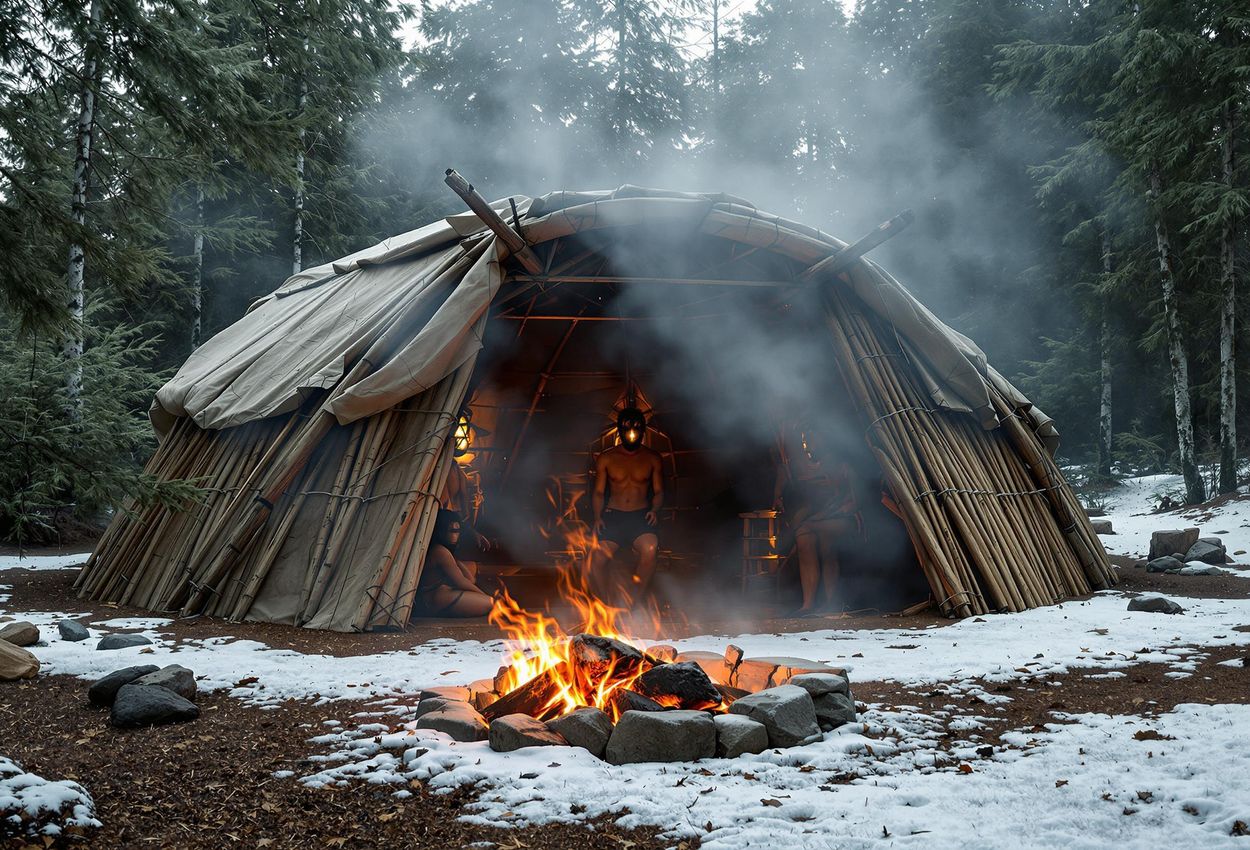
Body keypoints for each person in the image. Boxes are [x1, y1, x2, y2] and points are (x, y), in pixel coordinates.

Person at [774, 419, 859, 617]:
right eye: (805, 440)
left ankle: (831, 603)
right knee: (807, 536)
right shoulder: (799, 468)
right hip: (817, 520)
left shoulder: (842, 467)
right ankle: (808, 603)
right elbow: (789, 493)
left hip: (846, 519)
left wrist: (828, 514)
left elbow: (855, 503)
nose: (808, 444)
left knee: (815, 534)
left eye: (812, 438)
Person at [589, 406, 664, 608]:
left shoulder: (652, 458)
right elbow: (598, 492)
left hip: (640, 517)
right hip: (613, 517)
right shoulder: (606, 457)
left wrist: (654, 511)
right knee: (596, 559)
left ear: (643, 430)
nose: (632, 432)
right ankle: (607, 606)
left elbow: (658, 491)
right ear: (620, 430)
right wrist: (598, 517)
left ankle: (631, 603)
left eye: (636, 428)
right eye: (627, 428)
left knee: (650, 547)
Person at [416, 509, 494, 617]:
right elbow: (461, 582)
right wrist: (483, 595)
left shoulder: (442, 549)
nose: (455, 536)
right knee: (491, 603)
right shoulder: (440, 551)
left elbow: (470, 580)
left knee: (472, 566)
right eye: (451, 531)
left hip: (440, 592)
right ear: (441, 531)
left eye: (457, 531)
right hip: (433, 598)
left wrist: (456, 561)